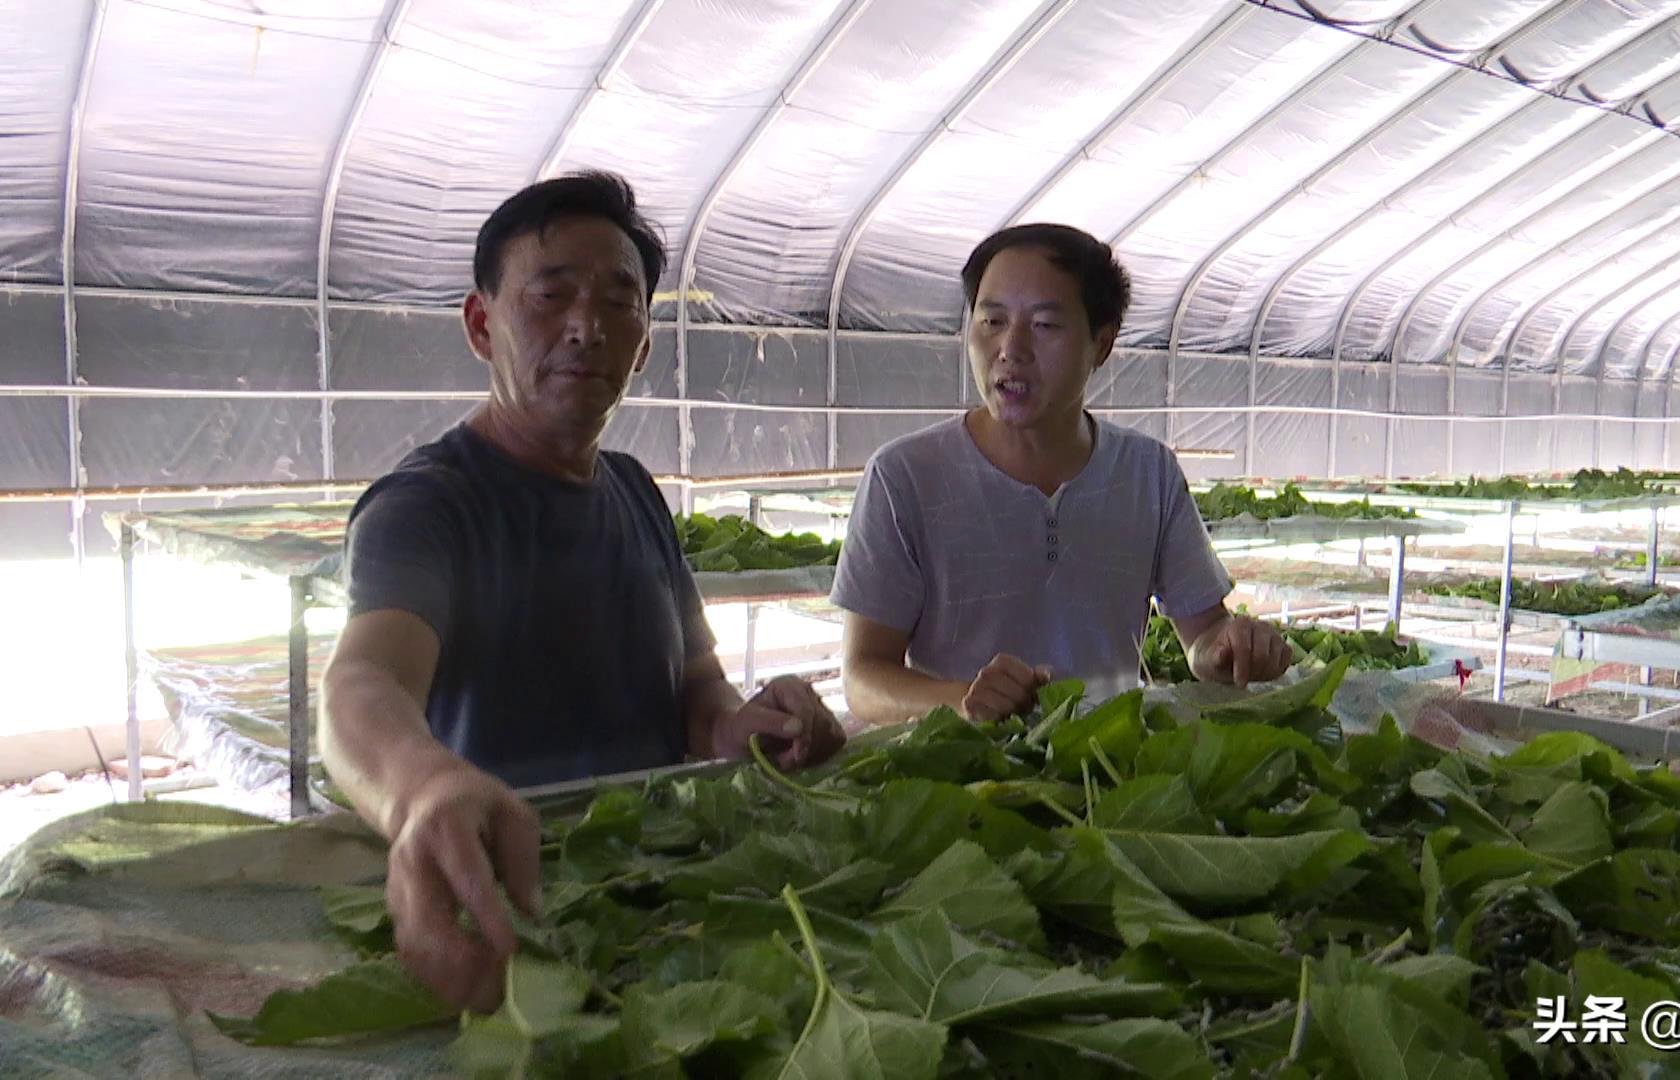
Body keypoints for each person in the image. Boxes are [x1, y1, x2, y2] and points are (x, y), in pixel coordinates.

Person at [319, 171, 844, 1011]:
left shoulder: (635, 491)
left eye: (619, 302)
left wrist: (744, 726)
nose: (586, 327)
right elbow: (363, 680)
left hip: (651, 902)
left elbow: (698, 692)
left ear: (643, 344)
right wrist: (421, 787)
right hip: (501, 913)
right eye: (550, 295)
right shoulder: (427, 506)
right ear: (481, 325)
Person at [832, 223, 1292, 728]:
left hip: (1107, 764)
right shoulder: (903, 478)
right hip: (962, 767)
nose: (1011, 348)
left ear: (1102, 344)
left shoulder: (1149, 473)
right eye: (992, 321)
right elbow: (863, 677)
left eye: (1045, 325)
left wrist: (1231, 648)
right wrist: (961, 700)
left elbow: (1203, 636)